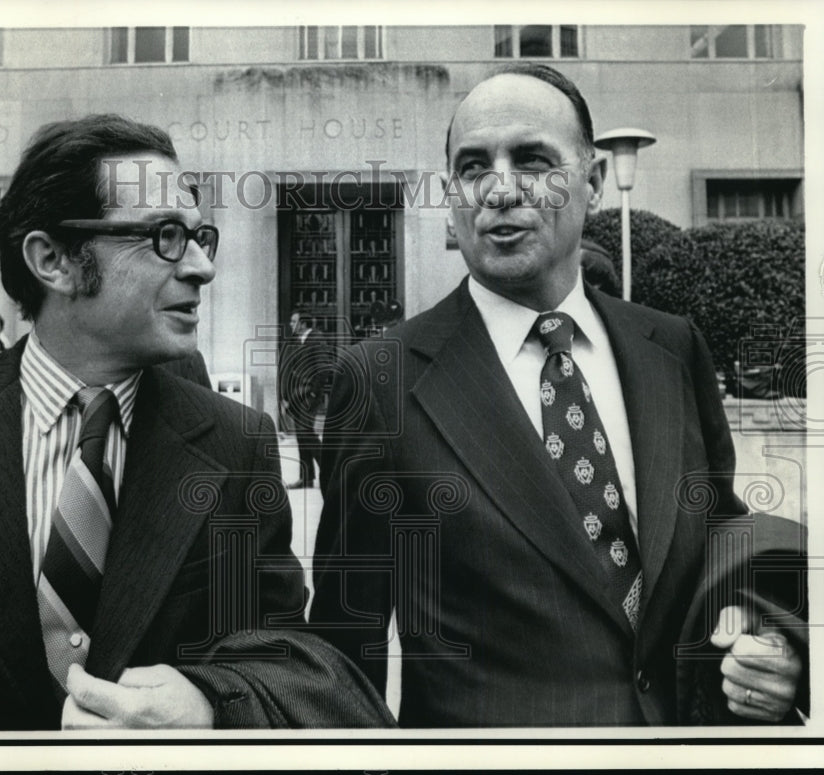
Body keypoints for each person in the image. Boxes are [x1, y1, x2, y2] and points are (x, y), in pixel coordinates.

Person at [310, 63, 805, 727]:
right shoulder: (379, 379)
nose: (501, 188)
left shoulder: (672, 348)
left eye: (534, 159)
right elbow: (346, 649)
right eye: (473, 165)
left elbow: (724, 538)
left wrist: (771, 642)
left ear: (594, 181)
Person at [0, 115, 394, 731]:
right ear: (52, 260)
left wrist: (208, 702)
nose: (201, 268)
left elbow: (299, 662)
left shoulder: (235, 445)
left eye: (200, 237)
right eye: (165, 236)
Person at [279, 309, 329, 488]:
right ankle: (306, 478)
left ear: (303, 323)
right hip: (297, 396)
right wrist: (286, 397)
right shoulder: (297, 341)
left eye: (294, 322)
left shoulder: (317, 339)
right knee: (302, 435)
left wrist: (314, 393)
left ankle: (332, 470)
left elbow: (323, 369)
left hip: (309, 396)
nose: (291, 325)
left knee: (306, 434)